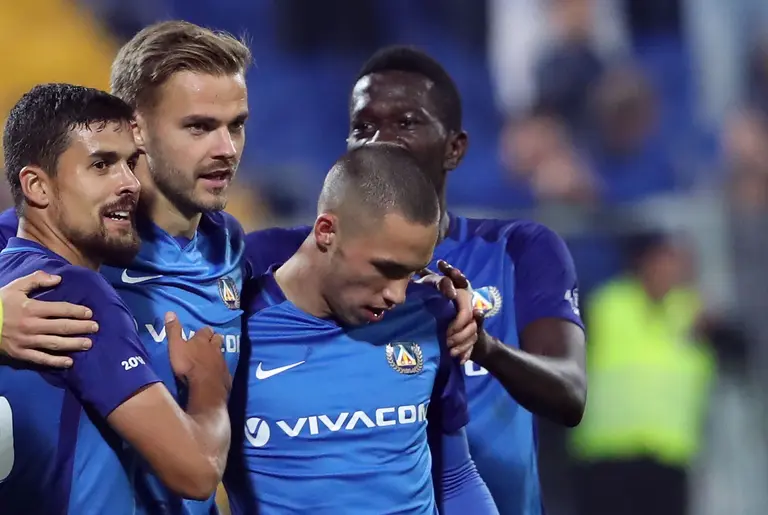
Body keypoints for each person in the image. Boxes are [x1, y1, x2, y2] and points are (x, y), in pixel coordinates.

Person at [242, 46, 587, 515]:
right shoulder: (280, 260)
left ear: (454, 148)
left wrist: (484, 348)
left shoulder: (516, 249)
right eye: (363, 127)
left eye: (406, 123)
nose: (381, 140)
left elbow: (570, 396)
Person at [0, 21, 252, 515]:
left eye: (237, 125)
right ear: (136, 127)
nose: (226, 148)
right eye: (199, 127)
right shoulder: (62, 240)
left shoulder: (230, 247)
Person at [225, 143, 497, 514]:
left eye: (410, 273)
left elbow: (456, 477)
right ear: (326, 231)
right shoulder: (235, 330)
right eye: (386, 269)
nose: (397, 295)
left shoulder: (429, 317)